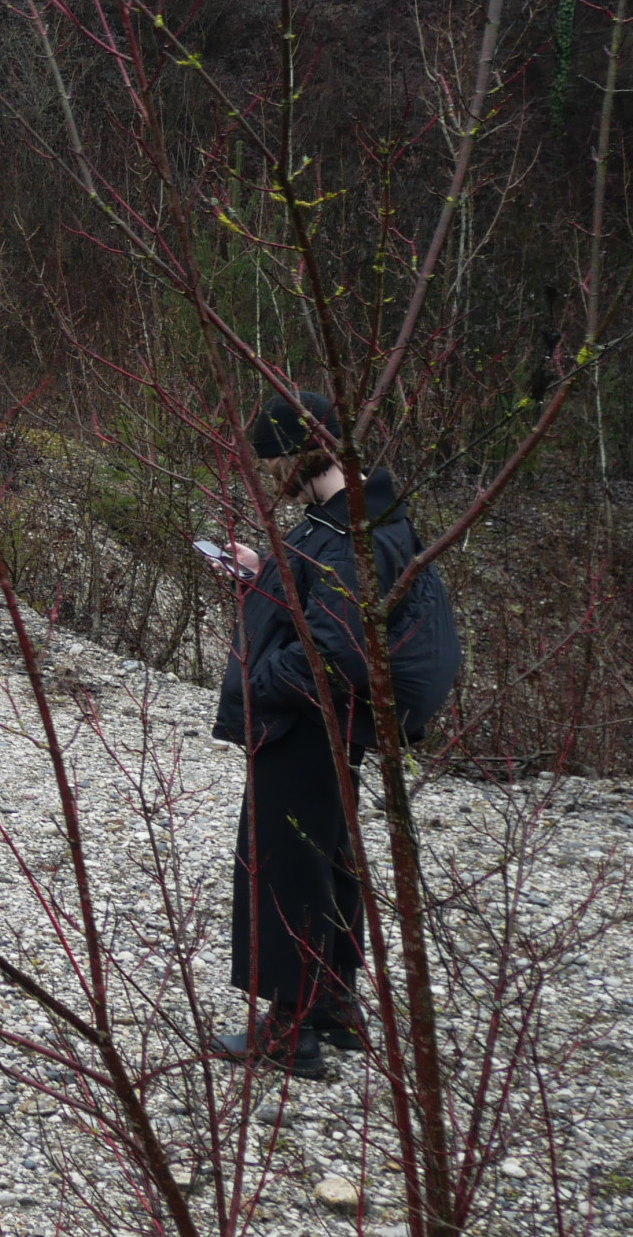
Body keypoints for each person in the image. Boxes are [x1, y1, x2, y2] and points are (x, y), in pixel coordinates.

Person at [209, 392, 460, 1079]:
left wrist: (259, 679)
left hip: (307, 721)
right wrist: (263, 575)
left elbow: (332, 649)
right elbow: (324, 607)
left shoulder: (354, 532)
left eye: (276, 464)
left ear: (300, 454)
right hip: (322, 721)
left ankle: (290, 1031)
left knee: (285, 863)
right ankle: (335, 1005)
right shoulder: (350, 517)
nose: (275, 479)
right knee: (328, 856)